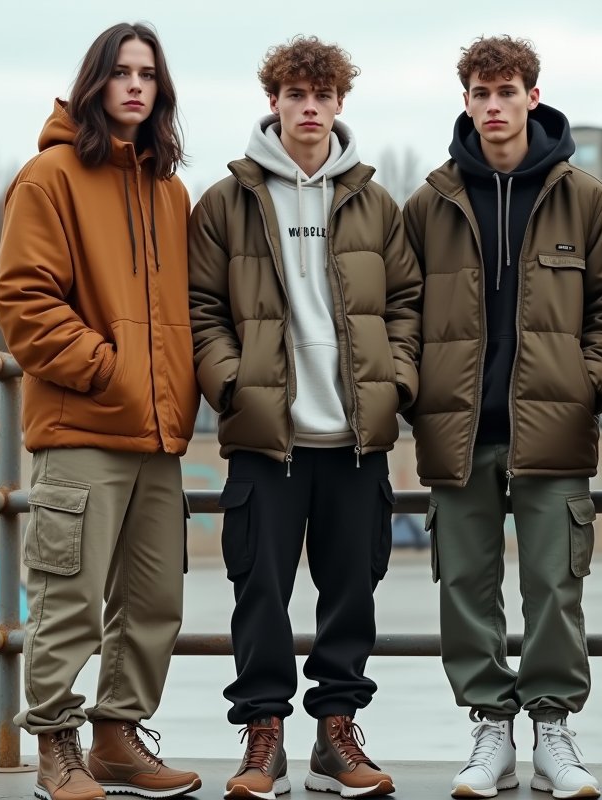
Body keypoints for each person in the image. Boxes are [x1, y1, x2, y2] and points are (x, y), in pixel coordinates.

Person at [403, 35, 602, 800]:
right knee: (464, 587)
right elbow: (397, 311)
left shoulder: (587, 198)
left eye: (507, 92)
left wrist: (587, 384)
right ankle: (489, 730)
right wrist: (414, 387)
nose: (494, 106)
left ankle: (553, 731)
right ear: (466, 101)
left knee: (553, 586)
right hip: (458, 432)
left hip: (555, 431)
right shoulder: (429, 202)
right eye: (480, 93)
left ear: (532, 98)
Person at [188, 35, 422, 800]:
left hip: (355, 440)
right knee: (260, 592)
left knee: (351, 591)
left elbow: (408, 307)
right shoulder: (226, 202)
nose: (309, 108)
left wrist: (397, 382)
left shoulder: (375, 202)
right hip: (268, 439)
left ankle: (336, 732)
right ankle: (264, 738)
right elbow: (202, 310)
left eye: (321, 95)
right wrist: (233, 387)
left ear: (340, 104)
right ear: (275, 103)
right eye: (295, 95)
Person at [0, 22, 201, 800]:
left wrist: (171, 392)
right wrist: (109, 371)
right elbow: (23, 302)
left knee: (154, 601)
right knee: (69, 599)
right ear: (95, 85)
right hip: (84, 427)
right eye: (121, 72)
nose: (136, 86)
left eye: (148, 74)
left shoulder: (169, 190)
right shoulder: (48, 177)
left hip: (158, 437)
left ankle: (118, 739)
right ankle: (56, 745)